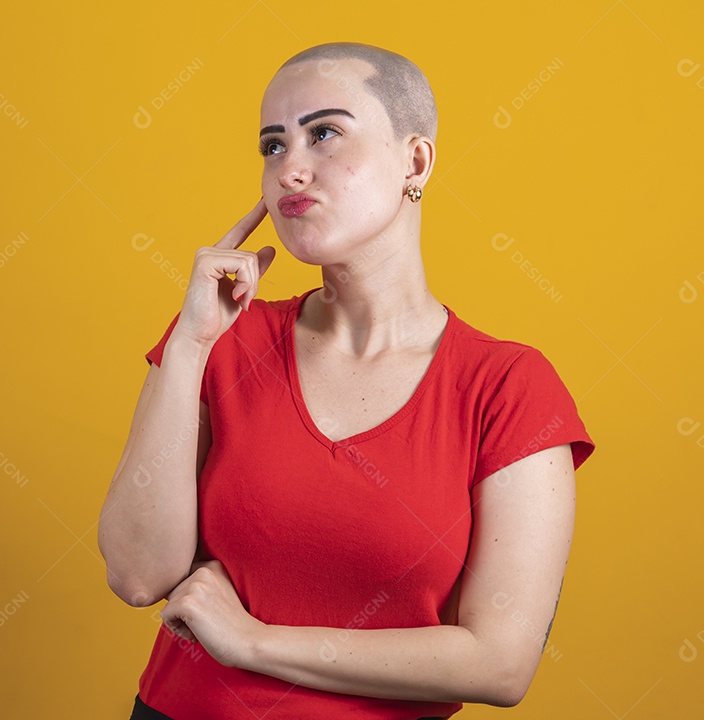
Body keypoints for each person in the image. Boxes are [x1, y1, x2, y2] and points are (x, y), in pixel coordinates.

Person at [98, 41, 596, 720]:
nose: (290, 170)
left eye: (324, 133)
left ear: (415, 161)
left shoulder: (506, 388)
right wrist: (188, 345)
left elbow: (501, 663)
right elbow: (136, 576)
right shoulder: (220, 338)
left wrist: (256, 644)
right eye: (273, 146)